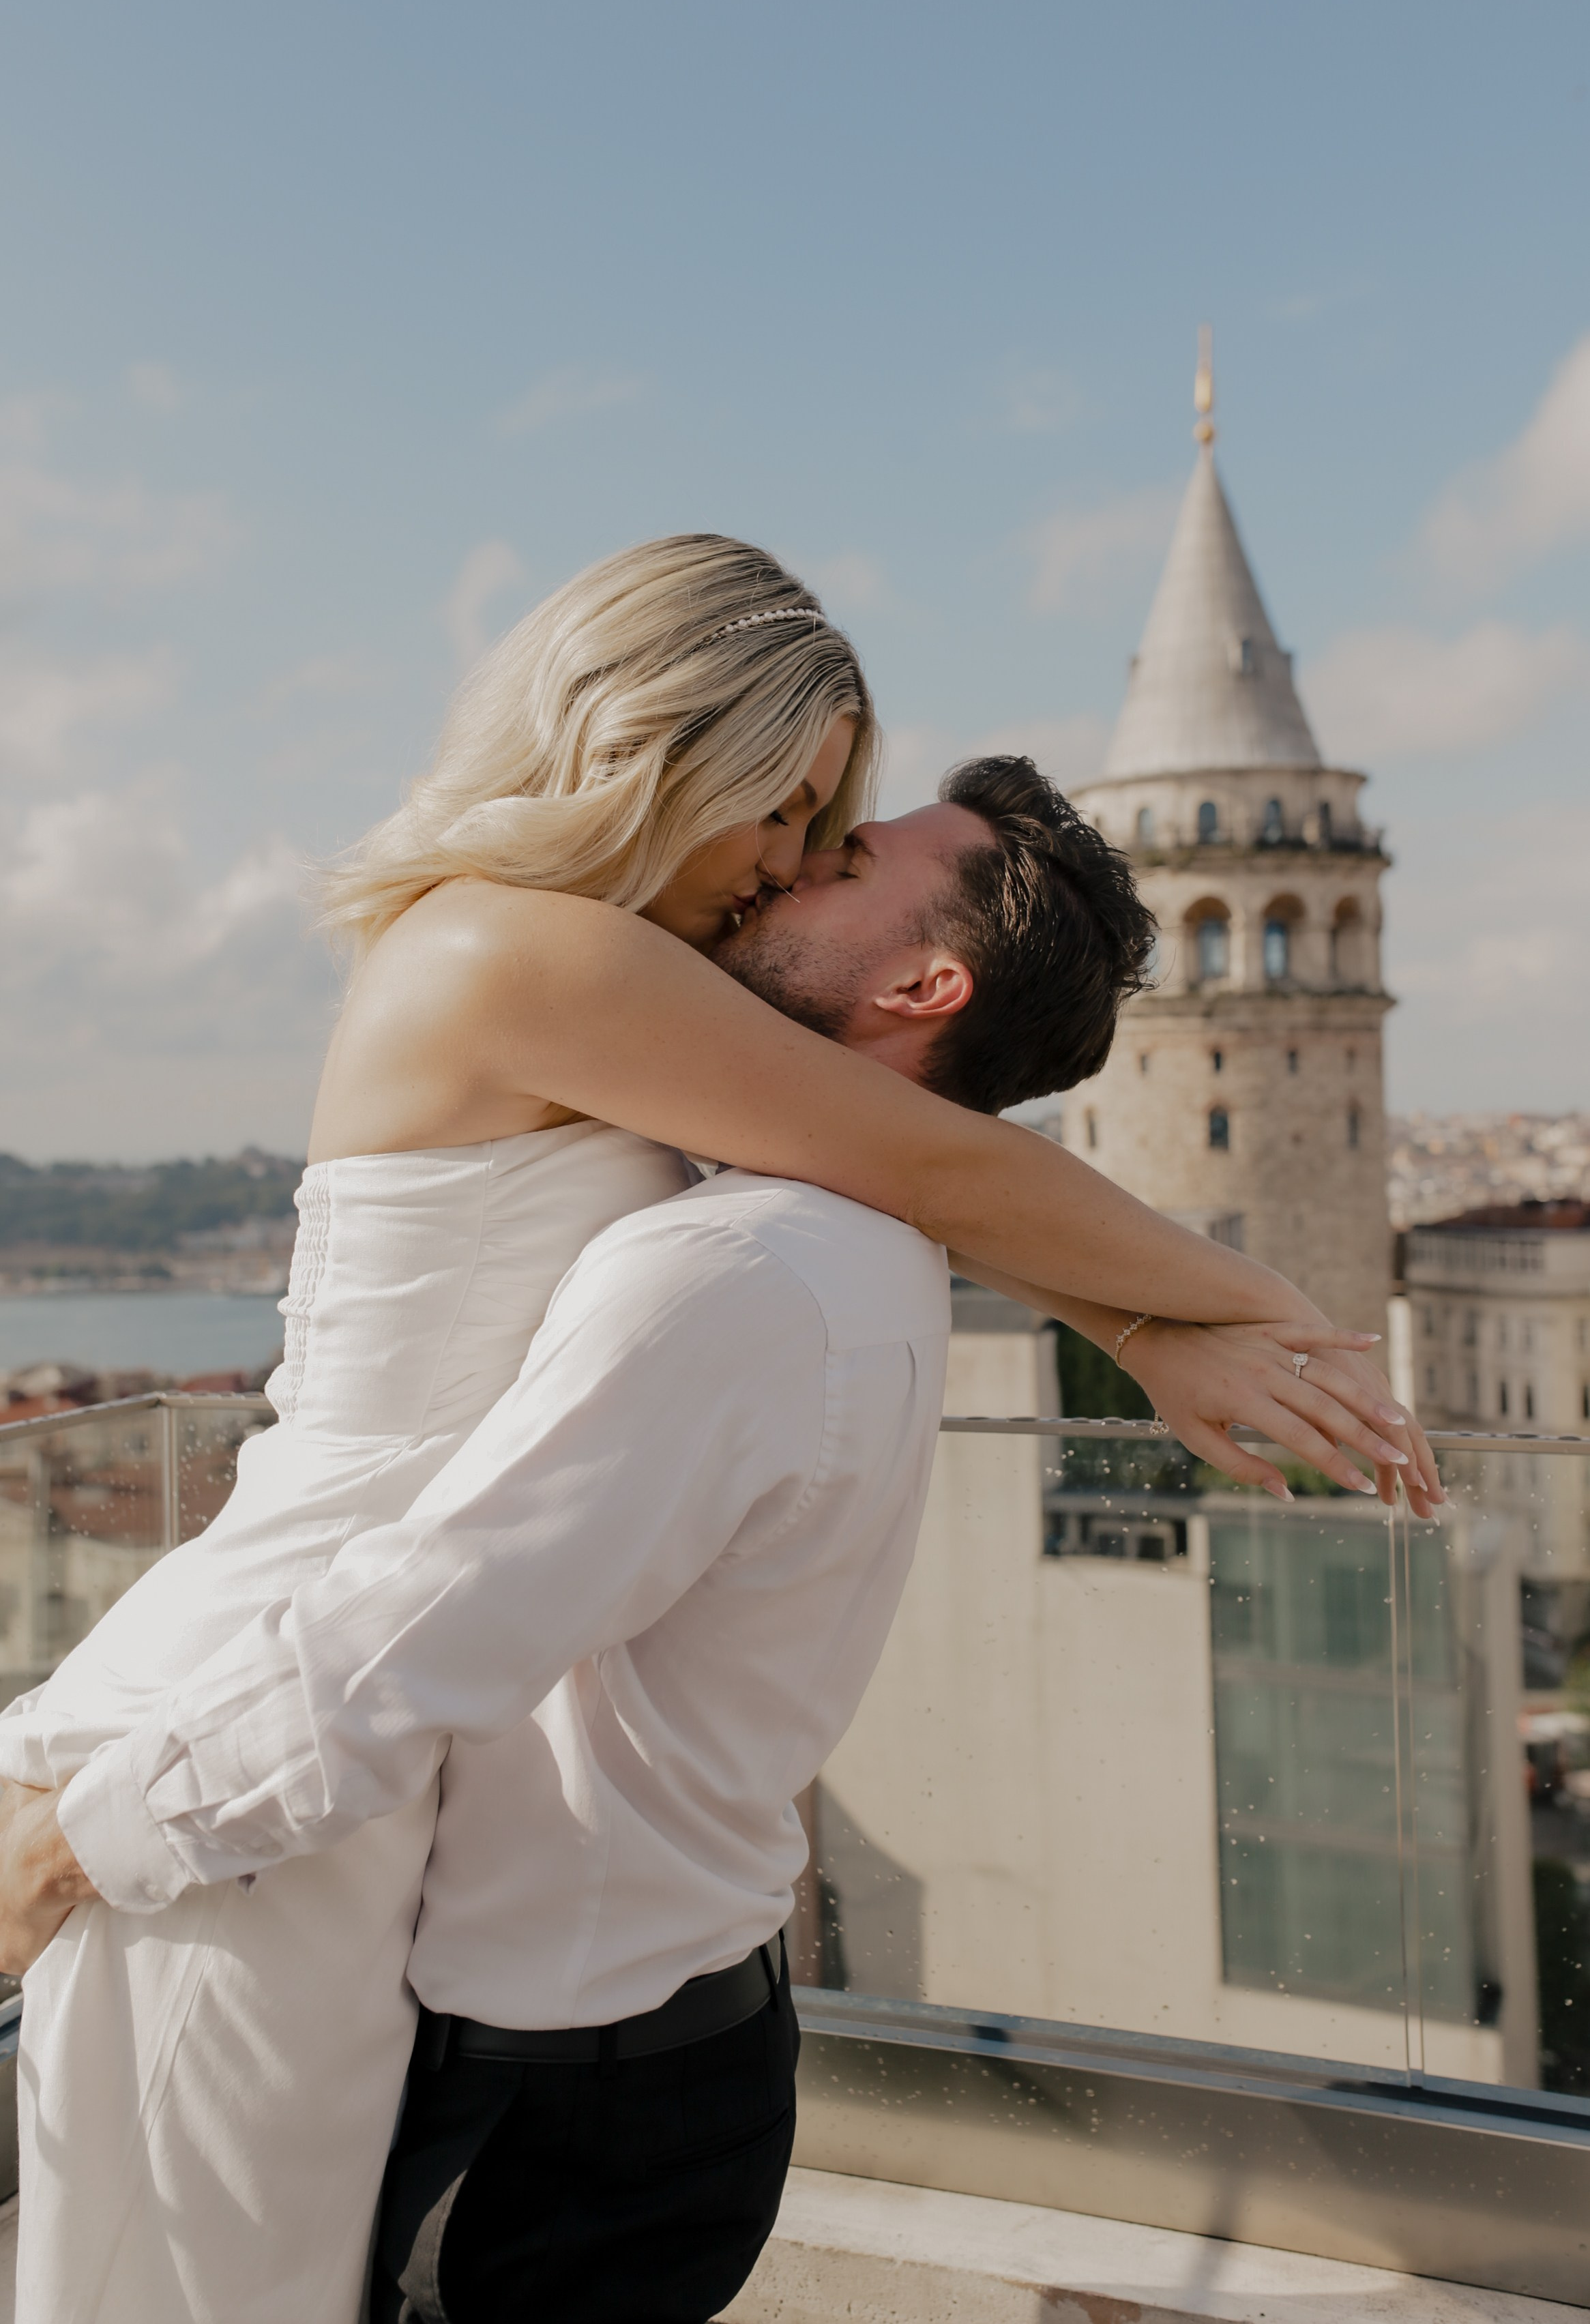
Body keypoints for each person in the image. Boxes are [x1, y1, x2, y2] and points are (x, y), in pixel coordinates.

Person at [0, 535, 1437, 2323]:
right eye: (797, 809)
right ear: (657, 741)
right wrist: (1204, 1321)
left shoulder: (610, 997)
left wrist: (1153, 1323)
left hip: (321, 1764)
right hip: (253, 1725)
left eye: (833, 833)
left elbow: (899, 1145)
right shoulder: (517, 951)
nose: (788, 858)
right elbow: (923, 1150)